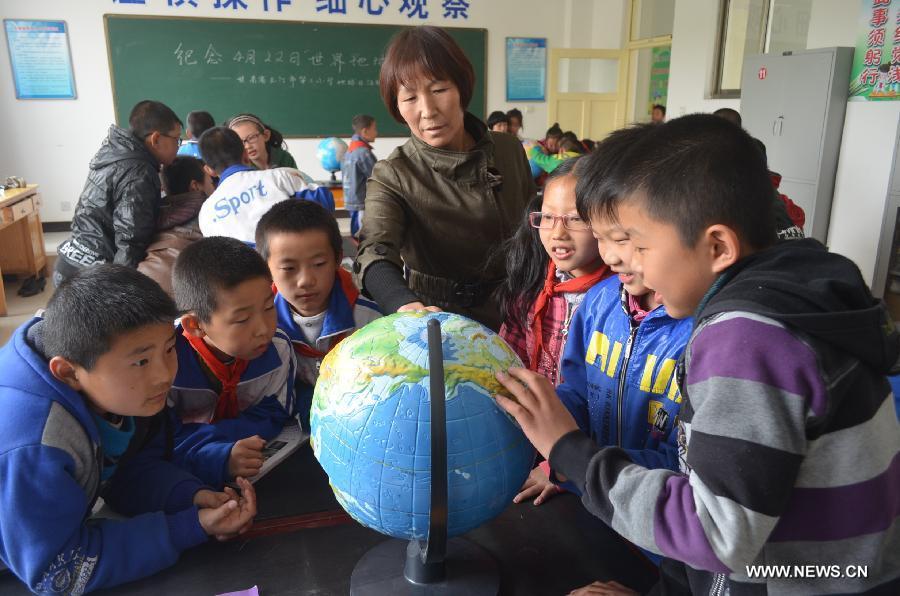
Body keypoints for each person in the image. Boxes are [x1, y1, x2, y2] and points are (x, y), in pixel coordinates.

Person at [495, 114, 900, 594]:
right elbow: (727, 504)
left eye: (638, 245)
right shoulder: (788, 296)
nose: (625, 263)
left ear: (717, 246)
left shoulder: (747, 342)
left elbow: (716, 531)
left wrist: (571, 454)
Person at [0, 265, 256, 594]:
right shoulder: (34, 444)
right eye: (141, 362)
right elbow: (59, 572)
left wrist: (189, 498)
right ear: (68, 373)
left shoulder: (97, 370)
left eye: (168, 348)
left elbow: (125, 469)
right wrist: (185, 529)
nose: (165, 375)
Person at [355, 26, 535, 331]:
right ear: (397, 108)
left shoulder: (508, 149)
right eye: (409, 98)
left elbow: (533, 225)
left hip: (522, 313)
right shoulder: (394, 174)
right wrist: (403, 304)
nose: (428, 111)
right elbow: (375, 251)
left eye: (439, 90)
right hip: (441, 323)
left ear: (462, 90)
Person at [169, 237, 298, 487]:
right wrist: (218, 452)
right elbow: (161, 438)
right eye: (242, 320)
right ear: (195, 325)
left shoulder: (278, 348)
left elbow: (275, 412)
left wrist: (228, 441)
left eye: (269, 308)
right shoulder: (166, 360)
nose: (263, 329)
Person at [255, 199, 381, 428]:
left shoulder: (371, 319)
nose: (305, 281)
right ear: (266, 269)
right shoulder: (261, 326)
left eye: (319, 263)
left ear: (337, 259)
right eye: (289, 268)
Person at [498, 156, 609, 387]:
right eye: (548, 216)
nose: (558, 233)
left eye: (576, 218)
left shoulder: (619, 299)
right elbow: (507, 360)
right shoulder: (531, 283)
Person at [55, 100, 183, 285]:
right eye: (176, 139)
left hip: (69, 260)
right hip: (89, 279)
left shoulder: (113, 151)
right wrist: (121, 287)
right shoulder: (139, 172)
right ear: (155, 139)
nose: (178, 147)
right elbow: (131, 239)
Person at [197, 126, 333, 244]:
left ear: (209, 170)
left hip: (246, 272)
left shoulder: (206, 213)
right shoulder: (280, 177)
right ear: (245, 154)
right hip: (294, 264)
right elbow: (325, 203)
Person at [138, 156, 215, 296]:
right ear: (195, 186)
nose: (214, 188)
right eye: (211, 182)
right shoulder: (212, 219)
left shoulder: (146, 224)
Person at [341, 114, 378, 239]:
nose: (376, 133)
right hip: (361, 202)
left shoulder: (350, 150)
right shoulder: (363, 153)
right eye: (374, 129)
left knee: (357, 233)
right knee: (362, 237)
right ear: (365, 131)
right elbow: (377, 177)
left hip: (353, 200)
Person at [227, 113, 297, 170]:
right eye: (240, 142)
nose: (248, 146)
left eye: (252, 137)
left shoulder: (284, 158)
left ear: (266, 135)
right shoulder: (239, 168)